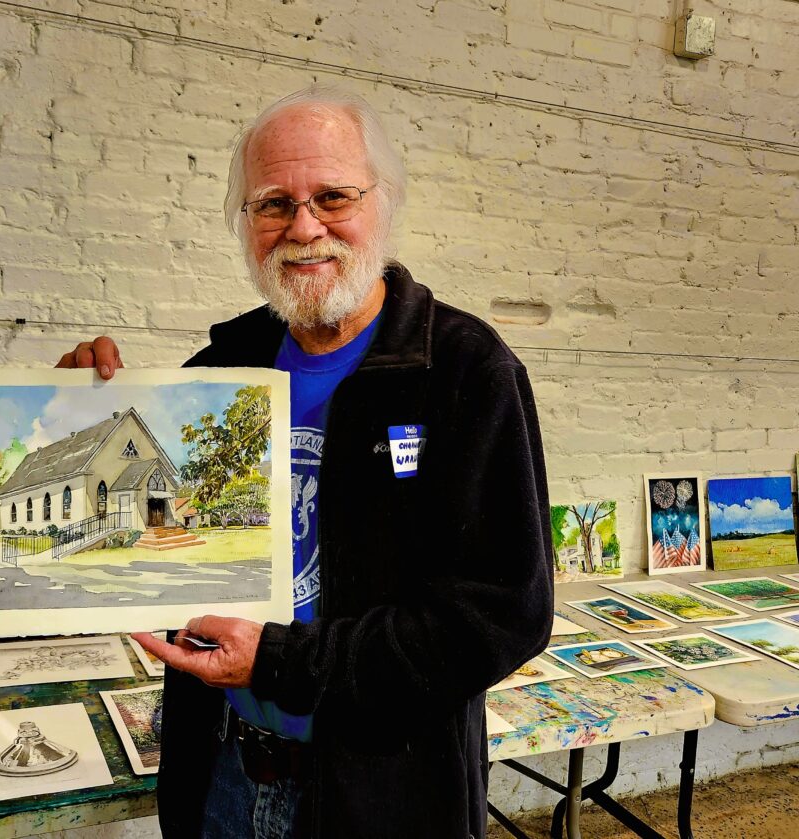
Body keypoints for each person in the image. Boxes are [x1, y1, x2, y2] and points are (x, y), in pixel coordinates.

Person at [57, 86, 554, 839]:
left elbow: (503, 615)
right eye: (273, 204)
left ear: (383, 203)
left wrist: (282, 660)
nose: (305, 226)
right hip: (222, 775)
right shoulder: (218, 373)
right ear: (246, 222)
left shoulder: (464, 370)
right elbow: (150, 544)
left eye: (332, 196)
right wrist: (71, 416)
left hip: (384, 798)